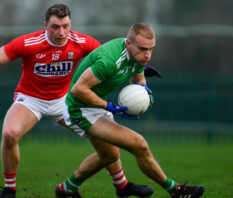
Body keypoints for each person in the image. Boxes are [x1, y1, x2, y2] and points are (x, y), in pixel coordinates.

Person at [0, 4, 156, 198]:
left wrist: (136, 68)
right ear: (45, 26)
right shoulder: (28, 43)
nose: (61, 32)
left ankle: (122, 185)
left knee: (107, 142)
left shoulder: (81, 42)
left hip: (64, 100)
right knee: (9, 133)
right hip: (31, 99)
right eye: (56, 27)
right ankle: (9, 189)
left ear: (70, 24)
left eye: (66, 26)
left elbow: (112, 61)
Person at [57, 23, 206, 198]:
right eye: (143, 49)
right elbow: (78, 90)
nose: (147, 55)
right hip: (79, 109)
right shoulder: (109, 61)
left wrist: (143, 91)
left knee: (108, 155)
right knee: (139, 144)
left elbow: (138, 79)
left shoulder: (138, 56)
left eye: (151, 49)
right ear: (128, 44)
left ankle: (67, 190)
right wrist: (110, 107)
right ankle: (176, 191)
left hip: (94, 107)